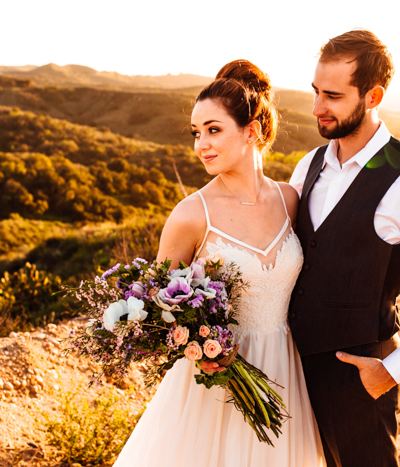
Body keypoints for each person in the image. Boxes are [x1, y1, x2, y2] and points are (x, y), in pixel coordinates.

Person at [113, 60, 325, 466]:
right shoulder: (191, 216)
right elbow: (161, 312)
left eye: (213, 130)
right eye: (196, 133)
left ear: (253, 130)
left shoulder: (289, 200)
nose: (201, 145)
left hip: (285, 370)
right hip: (217, 384)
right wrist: (198, 349)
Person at [288, 29, 400, 467]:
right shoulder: (307, 165)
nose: (317, 108)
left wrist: (390, 370)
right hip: (289, 373)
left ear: (373, 96)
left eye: (332, 96)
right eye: (315, 92)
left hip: (359, 378)